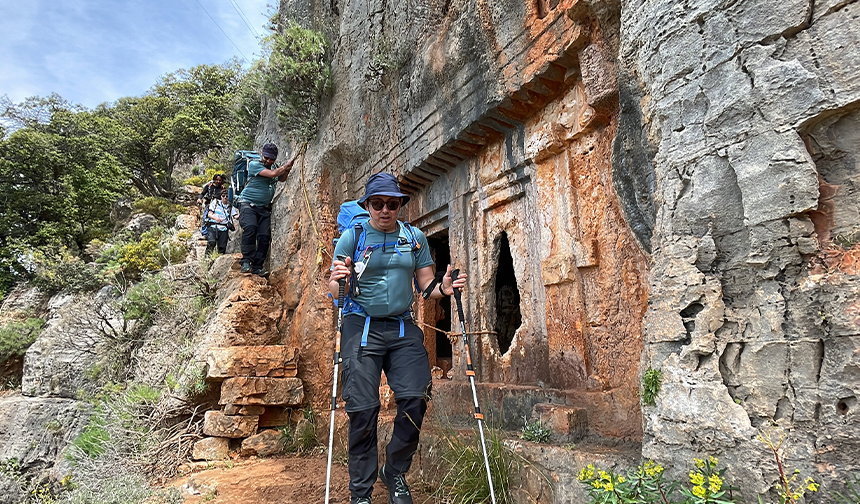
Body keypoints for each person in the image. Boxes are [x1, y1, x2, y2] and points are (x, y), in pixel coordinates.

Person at [328, 172, 466, 504]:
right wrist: (337, 280)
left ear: (400, 205)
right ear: (368, 205)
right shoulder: (352, 237)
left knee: (416, 395)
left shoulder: (413, 236)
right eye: (378, 204)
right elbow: (336, 292)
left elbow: (427, 286)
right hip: (360, 326)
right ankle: (360, 492)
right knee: (362, 409)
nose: (385, 210)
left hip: (402, 327)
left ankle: (395, 471)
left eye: (392, 203)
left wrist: (444, 289)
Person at [235, 143, 296, 276]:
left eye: (271, 159)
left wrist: (286, 170)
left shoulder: (274, 166)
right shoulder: (254, 165)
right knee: (250, 228)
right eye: (266, 157)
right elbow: (273, 174)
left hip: (264, 208)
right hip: (247, 204)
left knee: (264, 236)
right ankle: (246, 261)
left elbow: (281, 179)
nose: (268, 161)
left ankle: (257, 266)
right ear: (261, 153)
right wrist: (284, 166)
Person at [205, 190, 238, 254]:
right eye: (223, 196)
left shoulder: (230, 206)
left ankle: (219, 259)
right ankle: (207, 258)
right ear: (221, 196)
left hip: (224, 228)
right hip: (213, 226)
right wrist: (216, 218)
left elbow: (236, 216)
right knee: (211, 243)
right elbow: (209, 214)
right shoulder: (215, 203)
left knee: (222, 247)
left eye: (227, 196)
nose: (225, 197)